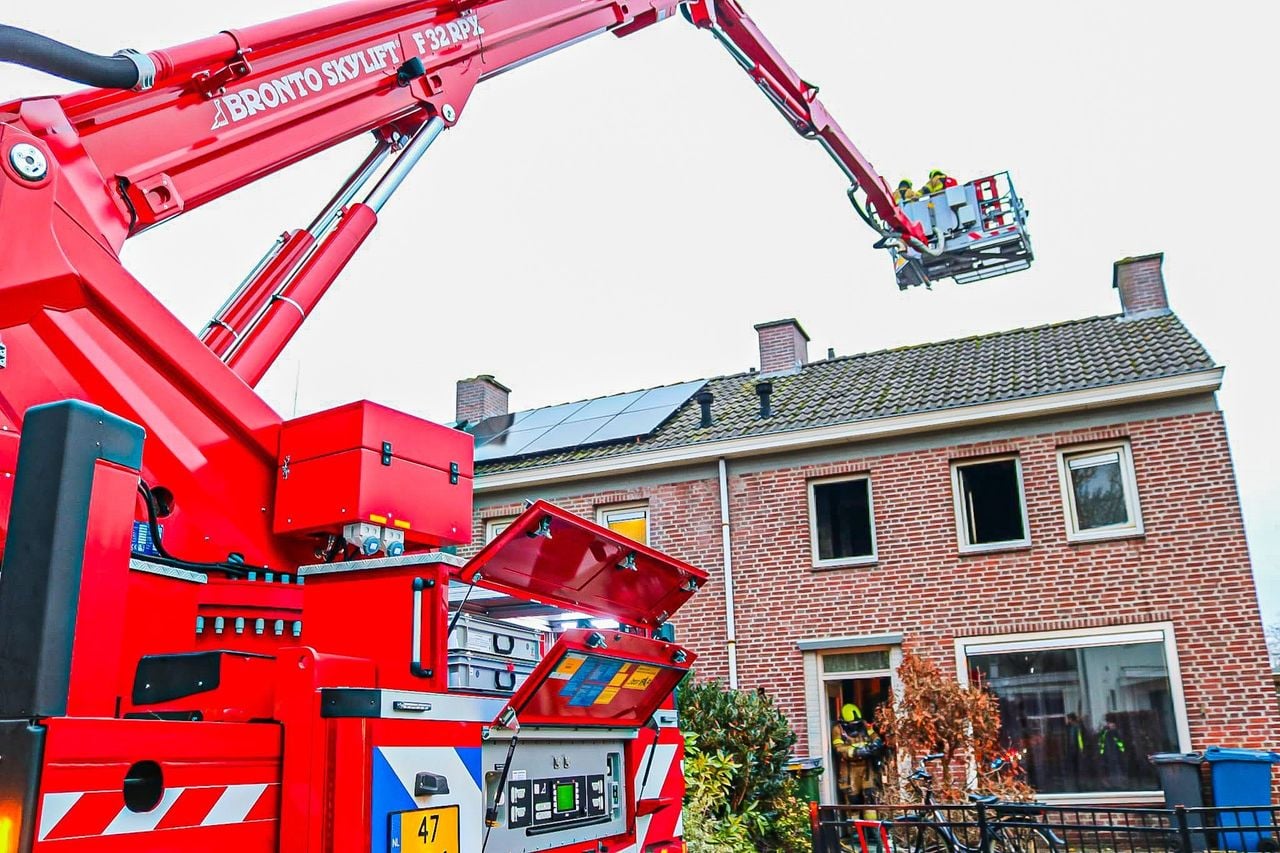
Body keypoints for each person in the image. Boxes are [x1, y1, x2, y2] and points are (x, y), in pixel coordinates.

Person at [831, 703, 885, 808]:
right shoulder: (838, 730)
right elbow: (839, 748)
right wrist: (856, 751)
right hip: (849, 770)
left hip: (867, 769)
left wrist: (876, 743)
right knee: (853, 801)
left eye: (857, 723)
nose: (855, 726)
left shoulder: (864, 725)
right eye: (852, 724)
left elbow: (874, 735)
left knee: (870, 799)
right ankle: (854, 823)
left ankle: (872, 824)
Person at [1098, 718, 1127, 788]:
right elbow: (1101, 742)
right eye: (1110, 725)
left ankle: (1118, 783)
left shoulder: (1116, 733)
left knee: (1116, 769)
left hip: (1116, 754)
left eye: (1113, 725)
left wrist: (1122, 752)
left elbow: (1120, 743)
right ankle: (1113, 784)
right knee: (1110, 769)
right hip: (1108, 755)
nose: (1111, 726)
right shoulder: (1105, 733)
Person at [1064, 712, 1087, 790]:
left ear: (1071, 719)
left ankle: (1079, 785)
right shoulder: (1070, 728)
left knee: (1078, 768)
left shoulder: (1077, 727)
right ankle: (1076, 783)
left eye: (1068, 719)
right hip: (1072, 750)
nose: (1067, 720)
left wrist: (1081, 750)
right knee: (1074, 768)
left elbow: (1079, 740)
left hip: (1076, 750)